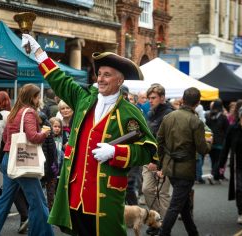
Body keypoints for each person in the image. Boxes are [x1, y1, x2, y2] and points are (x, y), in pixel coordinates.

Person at [21, 34, 157, 235]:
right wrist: (39, 53)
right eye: (99, 74)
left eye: (107, 75)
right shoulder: (85, 99)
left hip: (105, 196)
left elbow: (148, 151)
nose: (100, 79)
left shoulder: (129, 112)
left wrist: (115, 152)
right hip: (76, 193)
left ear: (119, 80)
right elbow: (60, 80)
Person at [0, 84, 53, 236]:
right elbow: (33, 137)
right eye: (37, 96)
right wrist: (45, 133)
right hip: (23, 161)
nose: (38, 99)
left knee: (4, 200)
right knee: (38, 201)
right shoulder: (29, 113)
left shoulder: (14, 112)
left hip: (9, 158)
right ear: (32, 97)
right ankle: (43, 233)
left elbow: (6, 137)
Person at [157, 87, 212, 236]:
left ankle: (193, 233)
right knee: (176, 205)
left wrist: (160, 164)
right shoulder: (196, 122)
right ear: (198, 102)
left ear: (182, 99)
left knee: (184, 204)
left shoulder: (169, 117)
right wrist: (209, 142)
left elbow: (159, 141)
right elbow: (203, 149)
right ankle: (163, 233)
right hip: (185, 169)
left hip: (170, 167)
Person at [142, 84, 173, 235]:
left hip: (164, 161)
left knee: (163, 195)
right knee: (146, 190)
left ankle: (163, 228)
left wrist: (160, 165)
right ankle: (158, 223)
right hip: (149, 160)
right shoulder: (150, 113)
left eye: (153, 98)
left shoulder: (169, 114)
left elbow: (168, 143)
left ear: (162, 98)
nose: (150, 100)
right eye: (149, 98)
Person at [205, 99, 229, 184]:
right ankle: (212, 175)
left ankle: (216, 176)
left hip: (210, 141)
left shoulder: (208, 116)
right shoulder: (223, 117)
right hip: (220, 142)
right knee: (218, 160)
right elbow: (227, 131)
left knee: (213, 160)